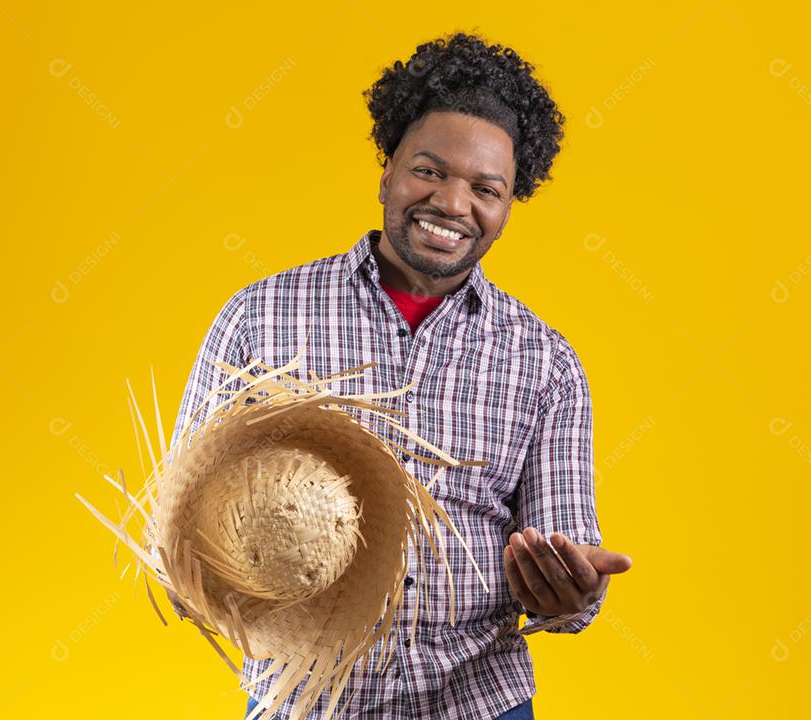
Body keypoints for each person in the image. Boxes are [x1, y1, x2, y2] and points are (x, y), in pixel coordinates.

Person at [171, 31, 633, 720]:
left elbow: (570, 569)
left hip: (479, 701)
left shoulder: (546, 362)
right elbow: (182, 536)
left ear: (509, 207)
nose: (452, 203)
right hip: (305, 703)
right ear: (387, 169)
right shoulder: (258, 318)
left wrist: (573, 593)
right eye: (429, 170)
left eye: (485, 188)